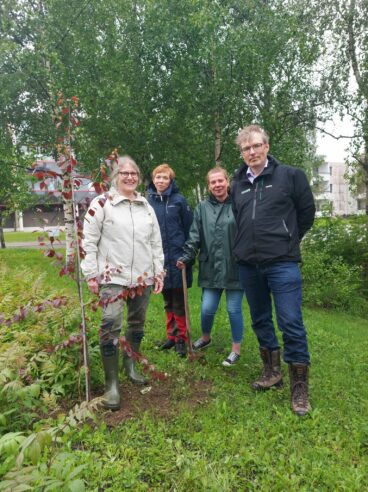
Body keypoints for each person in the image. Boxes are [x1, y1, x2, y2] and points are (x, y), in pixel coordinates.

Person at [231, 124, 315, 416]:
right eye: (246, 148)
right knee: (260, 320)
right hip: (248, 265)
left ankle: (300, 388)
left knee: (291, 321)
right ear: (241, 153)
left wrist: (288, 239)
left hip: (283, 263)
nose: (251, 152)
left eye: (256, 146)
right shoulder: (237, 183)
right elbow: (238, 217)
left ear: (266, 146)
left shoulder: (290, 176)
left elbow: (306, 214)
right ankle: (272, 372)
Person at [81, 156, 164, 410]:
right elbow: (89, 242)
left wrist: (158, 271)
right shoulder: (101, 203)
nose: (129, 177)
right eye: (124, 173)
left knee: (137, 322)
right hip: (111, 277)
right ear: (115, 176)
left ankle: (130, 365)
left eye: (134, 174)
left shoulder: (145, 206)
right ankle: (111, 385)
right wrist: (91, 274)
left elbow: (155, 242)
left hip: (142, 277)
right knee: (110, 323)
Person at [177, 166, 245, 366]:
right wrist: (187, 256)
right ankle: (205, 338)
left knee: (234, 310)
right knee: (207, 308)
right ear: (209, 186)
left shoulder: (239, 204)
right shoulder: (201, 208)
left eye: (220, 181)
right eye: (213, 182)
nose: (217, 185)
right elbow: (194, 236)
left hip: (235, 267)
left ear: (227, 182)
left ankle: (236, 349)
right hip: (211, 268)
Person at [147, 164, 193, 357]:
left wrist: (188, 254)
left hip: (178, 258)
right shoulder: (147, 202)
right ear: (153, 179)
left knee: (179, 300)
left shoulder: (179, 201)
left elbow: (191, 229)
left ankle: (182, 338)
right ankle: (171, 336)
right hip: (159, 260)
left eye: (165, 178)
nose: (161, 181)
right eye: (158, 177)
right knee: (167, 299)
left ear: (170, 180)